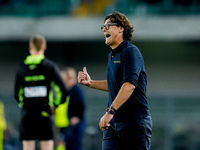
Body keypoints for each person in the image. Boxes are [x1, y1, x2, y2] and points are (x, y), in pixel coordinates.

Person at [78, 11, 152, 150]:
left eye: (108, 25)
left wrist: (110, 112)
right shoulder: (112, 56)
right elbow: (114, 85)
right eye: (103, 27)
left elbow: (129, 85)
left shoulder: (130, 51)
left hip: (135, 122)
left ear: (121, 28)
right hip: (114, 123)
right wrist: (91, 83)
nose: (104, 29)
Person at [14, 34, 69, 150]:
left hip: (27, 114)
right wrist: (54, 105)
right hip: (44, 113)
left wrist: (24, 105)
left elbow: (16, 94)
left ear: (30, 47)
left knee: (28, 146)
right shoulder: (50, 67)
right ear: (44, 48)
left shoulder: (22, 67)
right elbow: (63, 91)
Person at [55, 67, 86, 150]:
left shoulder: (76, 90)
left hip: (76, 124)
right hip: (68, 123)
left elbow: (81, 105)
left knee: (75, 145)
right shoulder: (68, 91)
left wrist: (77, 117)